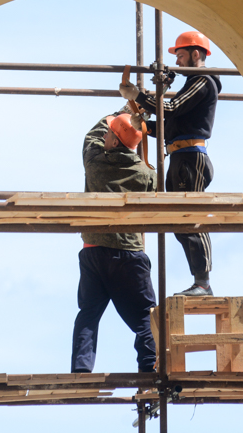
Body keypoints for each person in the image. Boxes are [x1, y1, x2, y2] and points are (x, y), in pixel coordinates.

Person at [119, 31, 220, 297]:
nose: (177, 61)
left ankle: (204, 283)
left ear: (195, 54)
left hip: (191, 157)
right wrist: (145, 125)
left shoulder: (203, 80)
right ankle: (200, 282)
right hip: (179, 155)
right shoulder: (191, 83)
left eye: (181, 55)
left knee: (191, 219)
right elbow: (172, 123)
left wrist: (139, 96)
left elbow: (172, 108)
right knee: (179, 220)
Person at [71, 111, 158, 374]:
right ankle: (149, 370)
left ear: (115, 142)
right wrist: (136, 116)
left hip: (94, 252)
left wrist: (130, 106)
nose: (105, 135)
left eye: (111, 133)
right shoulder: (146, 174)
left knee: (88, 315)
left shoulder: (94, 161)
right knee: (145, 318)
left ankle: (81, 371)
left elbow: (92, 135)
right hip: (129, 255)